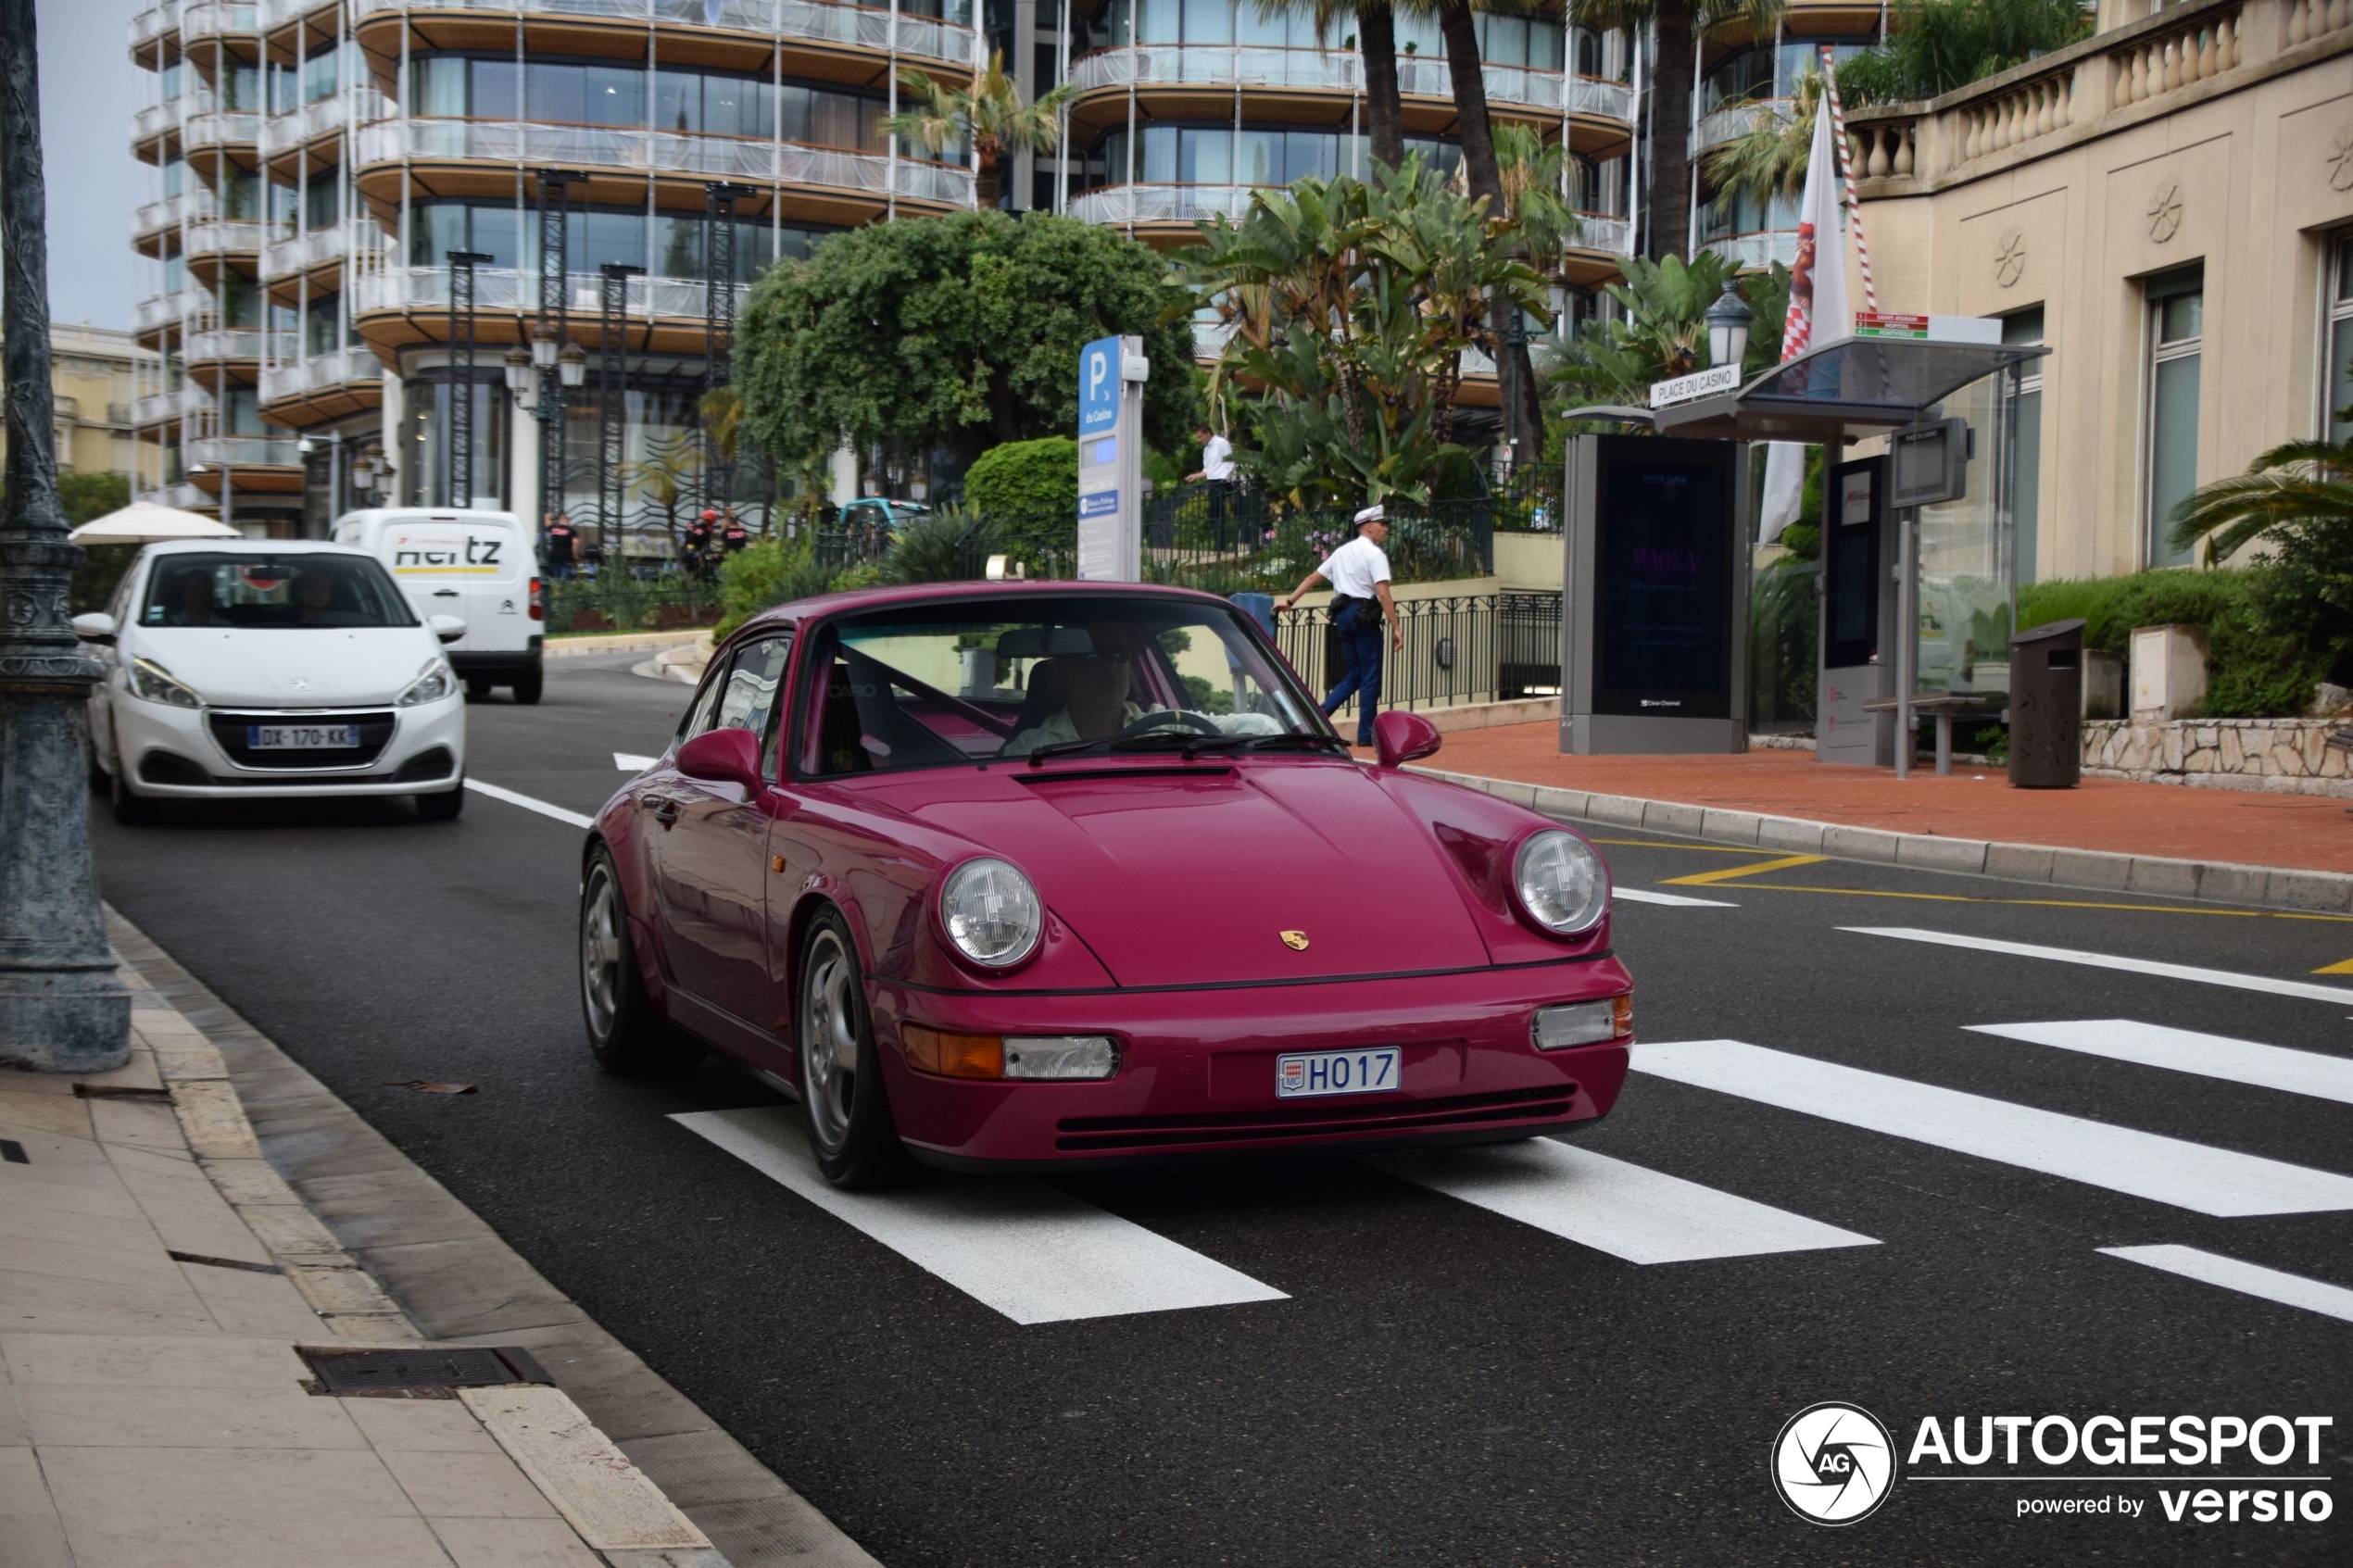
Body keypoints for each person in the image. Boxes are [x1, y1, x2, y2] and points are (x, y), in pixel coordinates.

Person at [1000, 620, 1279, 758]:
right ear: (1063, 674)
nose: (1109, 665)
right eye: (1093, 655)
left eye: (1118, 654)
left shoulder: (1165, 727)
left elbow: (1263, 728)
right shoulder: (1030, 748)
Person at [1277, 503, 1403, 748]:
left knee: (1354, 675)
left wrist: (1290, 601)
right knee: (1369, 677)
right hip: (1364, 616)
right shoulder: (1374, 555)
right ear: (1368, 527)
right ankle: (1366, 735)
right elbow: (1383, 593)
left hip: (1343, 616)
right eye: (1382, 524)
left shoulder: (1342, 552)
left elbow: (1314, 577)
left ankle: (1317, 719)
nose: (1386, 529)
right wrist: (1396, 626)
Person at [1185, 423, 1235, 547]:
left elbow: (1230, 461)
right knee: (1214, 513)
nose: (1199, 440)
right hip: (1212, 481)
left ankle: (1222, 545)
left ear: (1208, 433)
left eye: (1200, 437)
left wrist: (1224, 478)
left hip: (1222, 481)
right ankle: (1220, 543)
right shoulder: (1206, 450)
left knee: (1217, 512)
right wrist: (1195, 476)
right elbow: (1208, 469)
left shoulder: (1221, 443)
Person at [543, 512, 576, 580]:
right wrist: (574, 555)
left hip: (554, 558)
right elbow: (576, 542)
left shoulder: (554, 529)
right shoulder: (571, 531)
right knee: (563, 581)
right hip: (566, 559)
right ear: (568, 522)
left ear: (559, 521)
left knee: (555, 580)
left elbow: (547, 522)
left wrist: (550, 516)